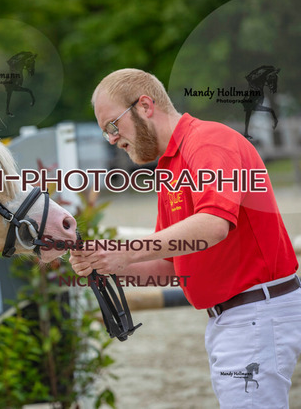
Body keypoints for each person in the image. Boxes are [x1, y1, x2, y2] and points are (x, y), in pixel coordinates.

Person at [70, 69, 300, 408]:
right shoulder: (172, 164)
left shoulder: (208, 142)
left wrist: (126, 252)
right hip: (240, 316)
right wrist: (105, 263)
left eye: (112, 126)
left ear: (145, 106)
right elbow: (172, 264)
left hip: (253, 313)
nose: (111, 140)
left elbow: (213, 225)